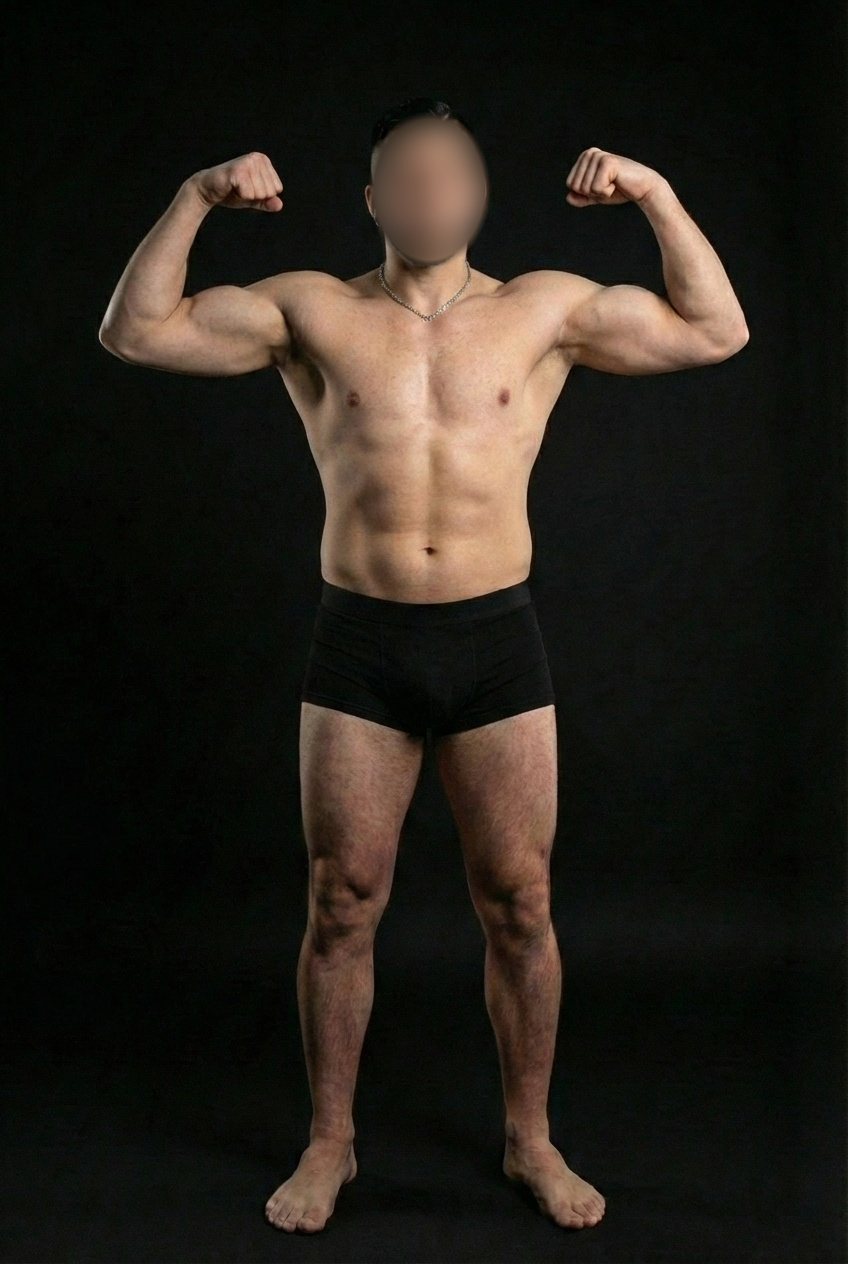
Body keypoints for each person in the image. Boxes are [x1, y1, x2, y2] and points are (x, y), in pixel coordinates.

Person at [99, 95, 749, 1235]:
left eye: (449, 175)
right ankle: (330, 1141)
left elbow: (714, 329)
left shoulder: (542, 309)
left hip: (495, 642)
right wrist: (196, 196)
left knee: (521, 903)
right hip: (361, 642)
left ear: (479, 195)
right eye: (406, 176)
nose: (428, 193)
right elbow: (136, 330)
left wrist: (652, 193)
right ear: (372, 198)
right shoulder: (311, 308)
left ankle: (529, 1138)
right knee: (340, 902)